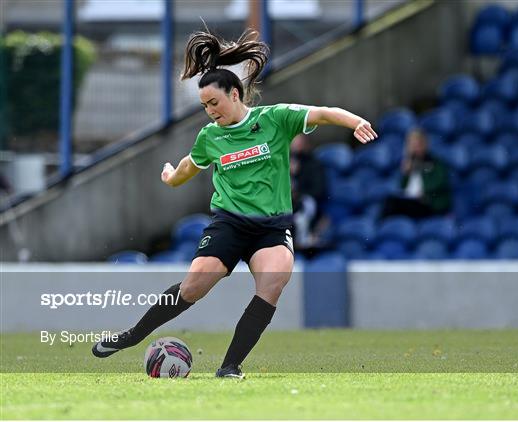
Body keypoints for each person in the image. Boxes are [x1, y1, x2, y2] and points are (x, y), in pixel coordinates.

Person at [92, 29, 377, 378]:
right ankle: (132, 336)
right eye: (204, 106)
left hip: (272, 226)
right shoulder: (210, 137)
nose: (210, 112)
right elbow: (186, 168)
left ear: (235, 93)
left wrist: (356, 121)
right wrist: (170, 177)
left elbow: (322, 112)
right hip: (229, 223)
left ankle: (230, 367)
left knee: (275, 279)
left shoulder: (274, 119)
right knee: (195, 284)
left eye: (215, 103)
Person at [381, 128, 451, 219]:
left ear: (424, 144)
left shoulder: (435, 163)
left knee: (394, 204)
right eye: (411, 145)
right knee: (390, 202)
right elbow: (403, 187)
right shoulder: (409, 163)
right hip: (410, 201)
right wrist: (406, 174)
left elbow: (440, 182)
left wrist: (424, 192)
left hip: (427, 204)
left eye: (417, 144)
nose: (414, 148)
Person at [290, 134, 328, 251]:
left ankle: (303, 239)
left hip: (304, 200)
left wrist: (298, 174)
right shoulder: (279, 161)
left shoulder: (313, 163)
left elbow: (318, 189)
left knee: (305, 206)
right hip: (284, 200)